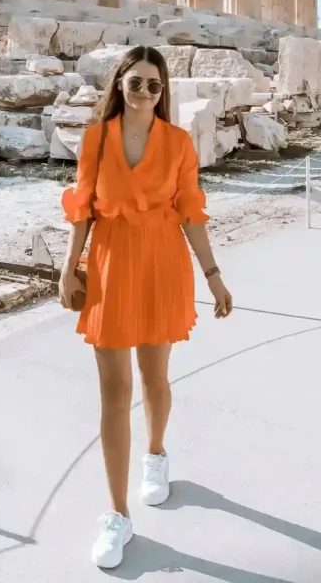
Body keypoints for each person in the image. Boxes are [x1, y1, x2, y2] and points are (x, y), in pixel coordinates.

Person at [59, 45, 233, 568]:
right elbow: (82, 210)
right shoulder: (95, 139)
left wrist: (214, 275)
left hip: (162, 262)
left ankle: (155, 455)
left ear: (164, 92)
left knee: (154, 377)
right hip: (111, 263)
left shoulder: (179, 143)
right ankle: (116, 514)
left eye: (154, 85)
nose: (144, 92)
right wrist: (70, 268)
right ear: (119, 84)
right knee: (115, 391)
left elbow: (191, 212)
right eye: (135, 82)